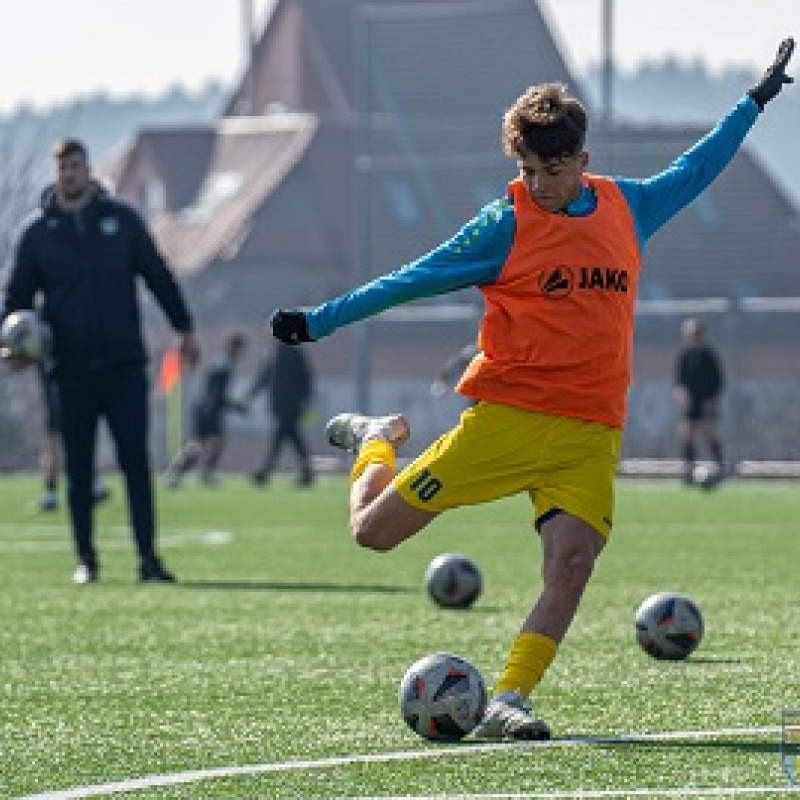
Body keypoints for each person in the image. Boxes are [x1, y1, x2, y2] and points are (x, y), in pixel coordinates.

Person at [268, 40, 794, 740]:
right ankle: (372, 441)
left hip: (590, 433)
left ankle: (509, 698)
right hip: (505, 422)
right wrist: (317, 321)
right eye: (526, 169)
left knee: (571, 564)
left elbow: (698, 166)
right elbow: (412, 278)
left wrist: (754, 102)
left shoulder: (628, 207)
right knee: (372, 534)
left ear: (582, 160)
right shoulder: (506, 224)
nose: (539, 182)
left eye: (551, 169)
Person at [1, 138, 200, 584]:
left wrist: (184, 328)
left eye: (76, 165)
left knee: (134, 458)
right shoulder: (37, 234)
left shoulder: (122, 221)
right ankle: (86, 559)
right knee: (80, 465)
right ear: (56, 174)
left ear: (87, 169)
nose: (70, 174)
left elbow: (158, 276)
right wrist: (15, 346)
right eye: (62, 168)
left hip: (124, 364)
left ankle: (148, 557)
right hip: (68, 369)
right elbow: (16, 302)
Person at [164, 332, 248, 488]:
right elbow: (217, 394)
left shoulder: (221, 362)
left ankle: (185, 473)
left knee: (206, 443)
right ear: (236, 348)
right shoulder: (224, 366)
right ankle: (182, 473)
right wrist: (236, 407)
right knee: (203, 444)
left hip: (204, 408)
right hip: (208, 411)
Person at [35, 362, 110, 512]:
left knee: (63, 430)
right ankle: (55, 490)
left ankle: (54, 491)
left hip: (67, 375)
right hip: (64, 374)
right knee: (63, 429)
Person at [249, 339, 315, 487]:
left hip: (292, 404)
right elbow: (263, 379)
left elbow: (306, 380)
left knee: (280, 438)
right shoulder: (270, 354)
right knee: (294, 438)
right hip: (278, 406)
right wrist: (249, 396)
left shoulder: (295, 353)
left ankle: (264, 473)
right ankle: (307, 473)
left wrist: (305, 401)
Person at [673, 317, 725, 489]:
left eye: (695, 334)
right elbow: (679, 380)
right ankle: (689, 470)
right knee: (686, 434)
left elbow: (718, 380)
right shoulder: (684, 355)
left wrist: (711, 399)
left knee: (710, 433)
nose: (691, 337)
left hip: (706, 402)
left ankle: (719, 467)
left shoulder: (708, 355)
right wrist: (680, 392)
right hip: (691, 403)